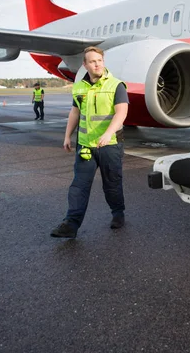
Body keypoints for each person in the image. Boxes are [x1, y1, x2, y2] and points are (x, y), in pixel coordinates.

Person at [51, 46, 129, 238]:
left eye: (100, 60)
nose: (97, 64)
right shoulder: (79, 87)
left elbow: (122, 112)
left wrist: (108, 132)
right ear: (85, 64)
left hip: (109, 145)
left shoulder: (116, 85)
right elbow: (75, 112)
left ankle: (118, 213)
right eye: (93, 61)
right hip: (85, 145)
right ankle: (71, 224)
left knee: (112, 184)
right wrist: (67, 135)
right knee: (79, 185)